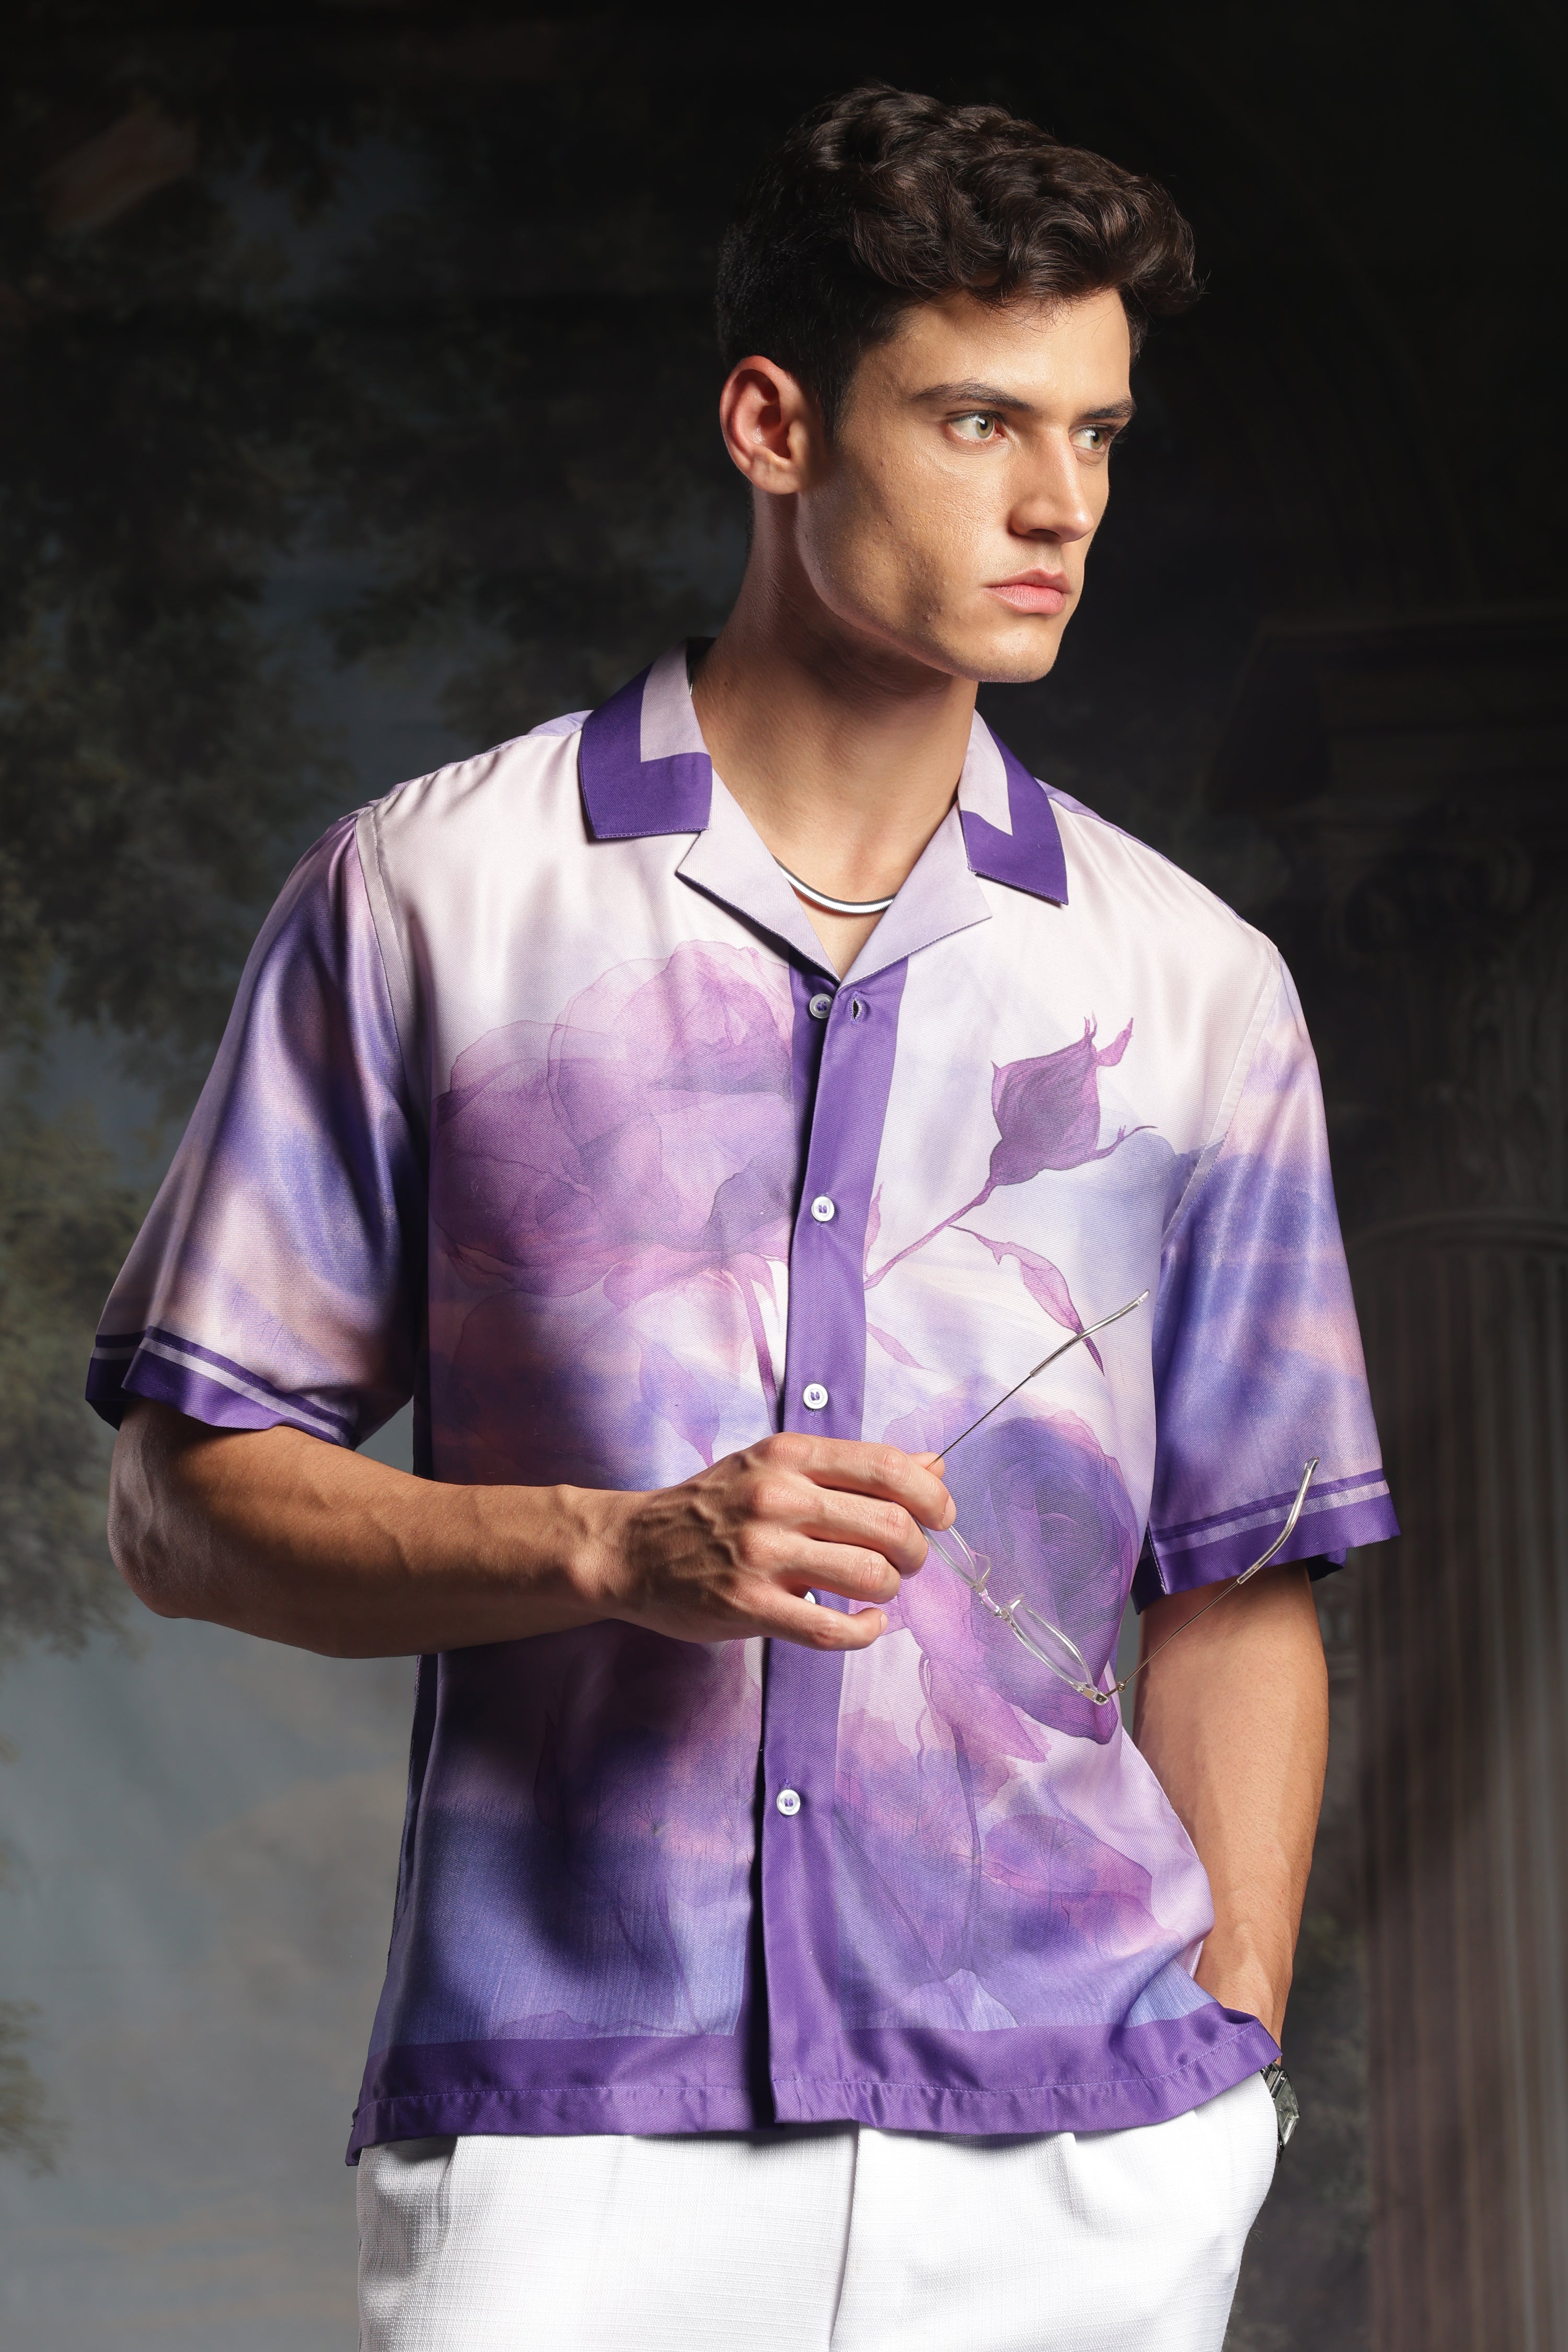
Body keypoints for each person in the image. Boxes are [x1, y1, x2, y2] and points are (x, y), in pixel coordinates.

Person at [93, 84, 1398, 2352]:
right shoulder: (435, 897)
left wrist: (1233, 2046)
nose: (1061, 504)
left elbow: (1240, 1579)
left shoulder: (1196, 987)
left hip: (1084, 2150)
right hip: (573, 2139)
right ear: (775, 424)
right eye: (981, 420)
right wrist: (613, 1548)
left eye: (1098, 433)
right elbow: (178, 1509)